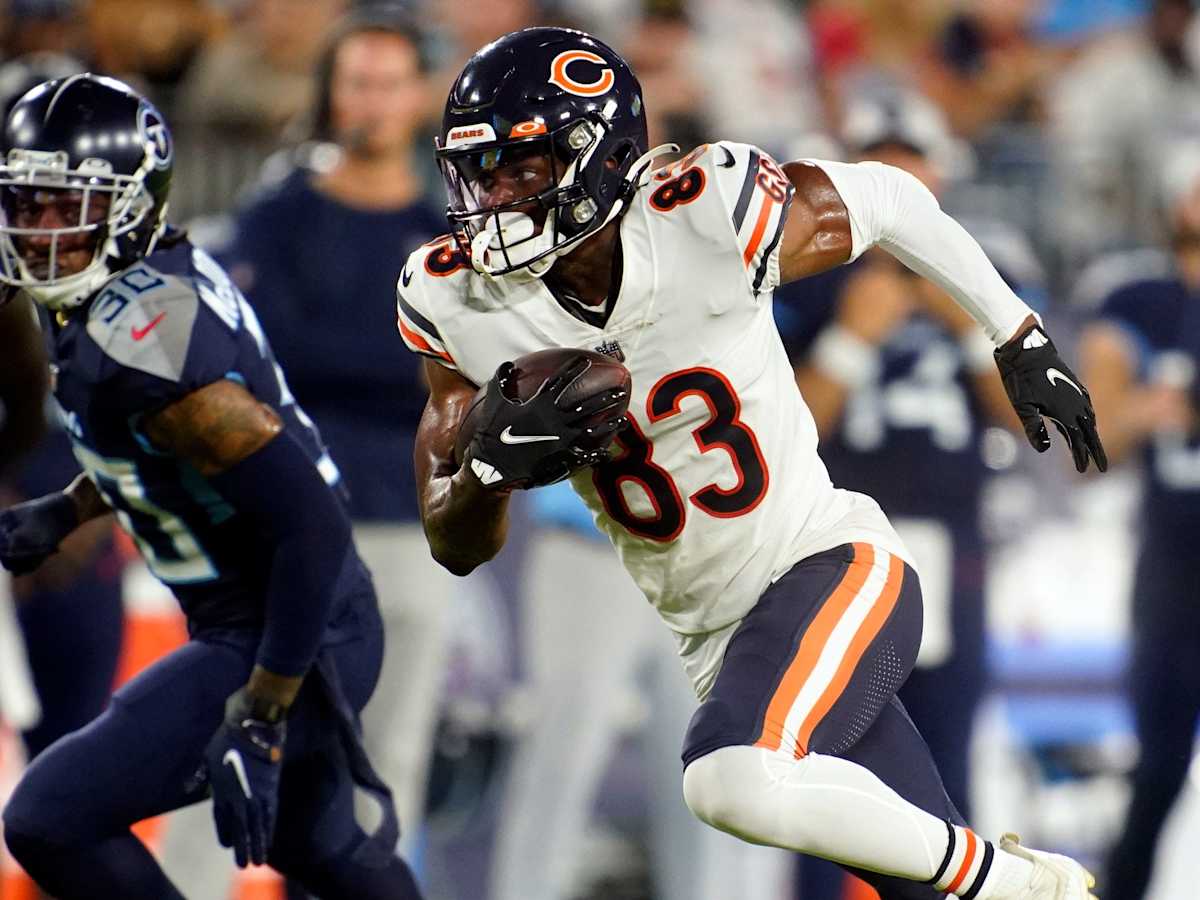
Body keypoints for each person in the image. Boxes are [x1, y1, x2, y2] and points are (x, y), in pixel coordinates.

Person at [398, 27, 1106, 900]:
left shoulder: (705, 215)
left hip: (831, 568)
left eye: (524, 168)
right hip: (720, 641)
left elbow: (890, 196)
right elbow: (452, 535)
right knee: (914, 877)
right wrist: (490, 473)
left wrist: (1017, 334)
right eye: (481, 174)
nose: (496, 200)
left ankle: (1025, 883)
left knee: (727, 777)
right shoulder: (455, 300)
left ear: (603, 153)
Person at [0, 74, 423, 900]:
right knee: (325, 848)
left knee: (49, 817)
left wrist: (263, 711)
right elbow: (170, 451)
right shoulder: (125, 295)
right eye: (29, 200)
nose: (41, 228)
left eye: (67, 204)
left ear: (130, 202)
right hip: (301, 617)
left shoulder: (148, 334)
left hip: (283, 628)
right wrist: (70, 506)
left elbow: (311, 528)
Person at [778, 86, 1042, 900]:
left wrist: (968, 320)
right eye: (874, 165)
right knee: (816, 772)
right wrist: (853, 338)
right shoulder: (800, 277)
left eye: (906, 165)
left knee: (947, 766)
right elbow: (777, 434)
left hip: (947, 540)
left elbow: (1031, 423)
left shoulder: (985, 269)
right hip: (832, 545)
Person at [217, 7, 456, 856]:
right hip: (284, 526)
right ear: (331, 93)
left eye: (391, 83)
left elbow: (467, 378)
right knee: (228, 745)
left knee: (386, 768)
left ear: (421, 96)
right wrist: (408, 362)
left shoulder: (447, 234)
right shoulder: (279, 213)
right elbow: (258, 353)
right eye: (358, 81)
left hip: (407, 523)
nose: (373, 102)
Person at [1077, 145, 1200, 900]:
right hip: (1177, 563)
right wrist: (1150, 410)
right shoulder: (1141, 298)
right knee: (1157, 770)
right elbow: (1093, 443)